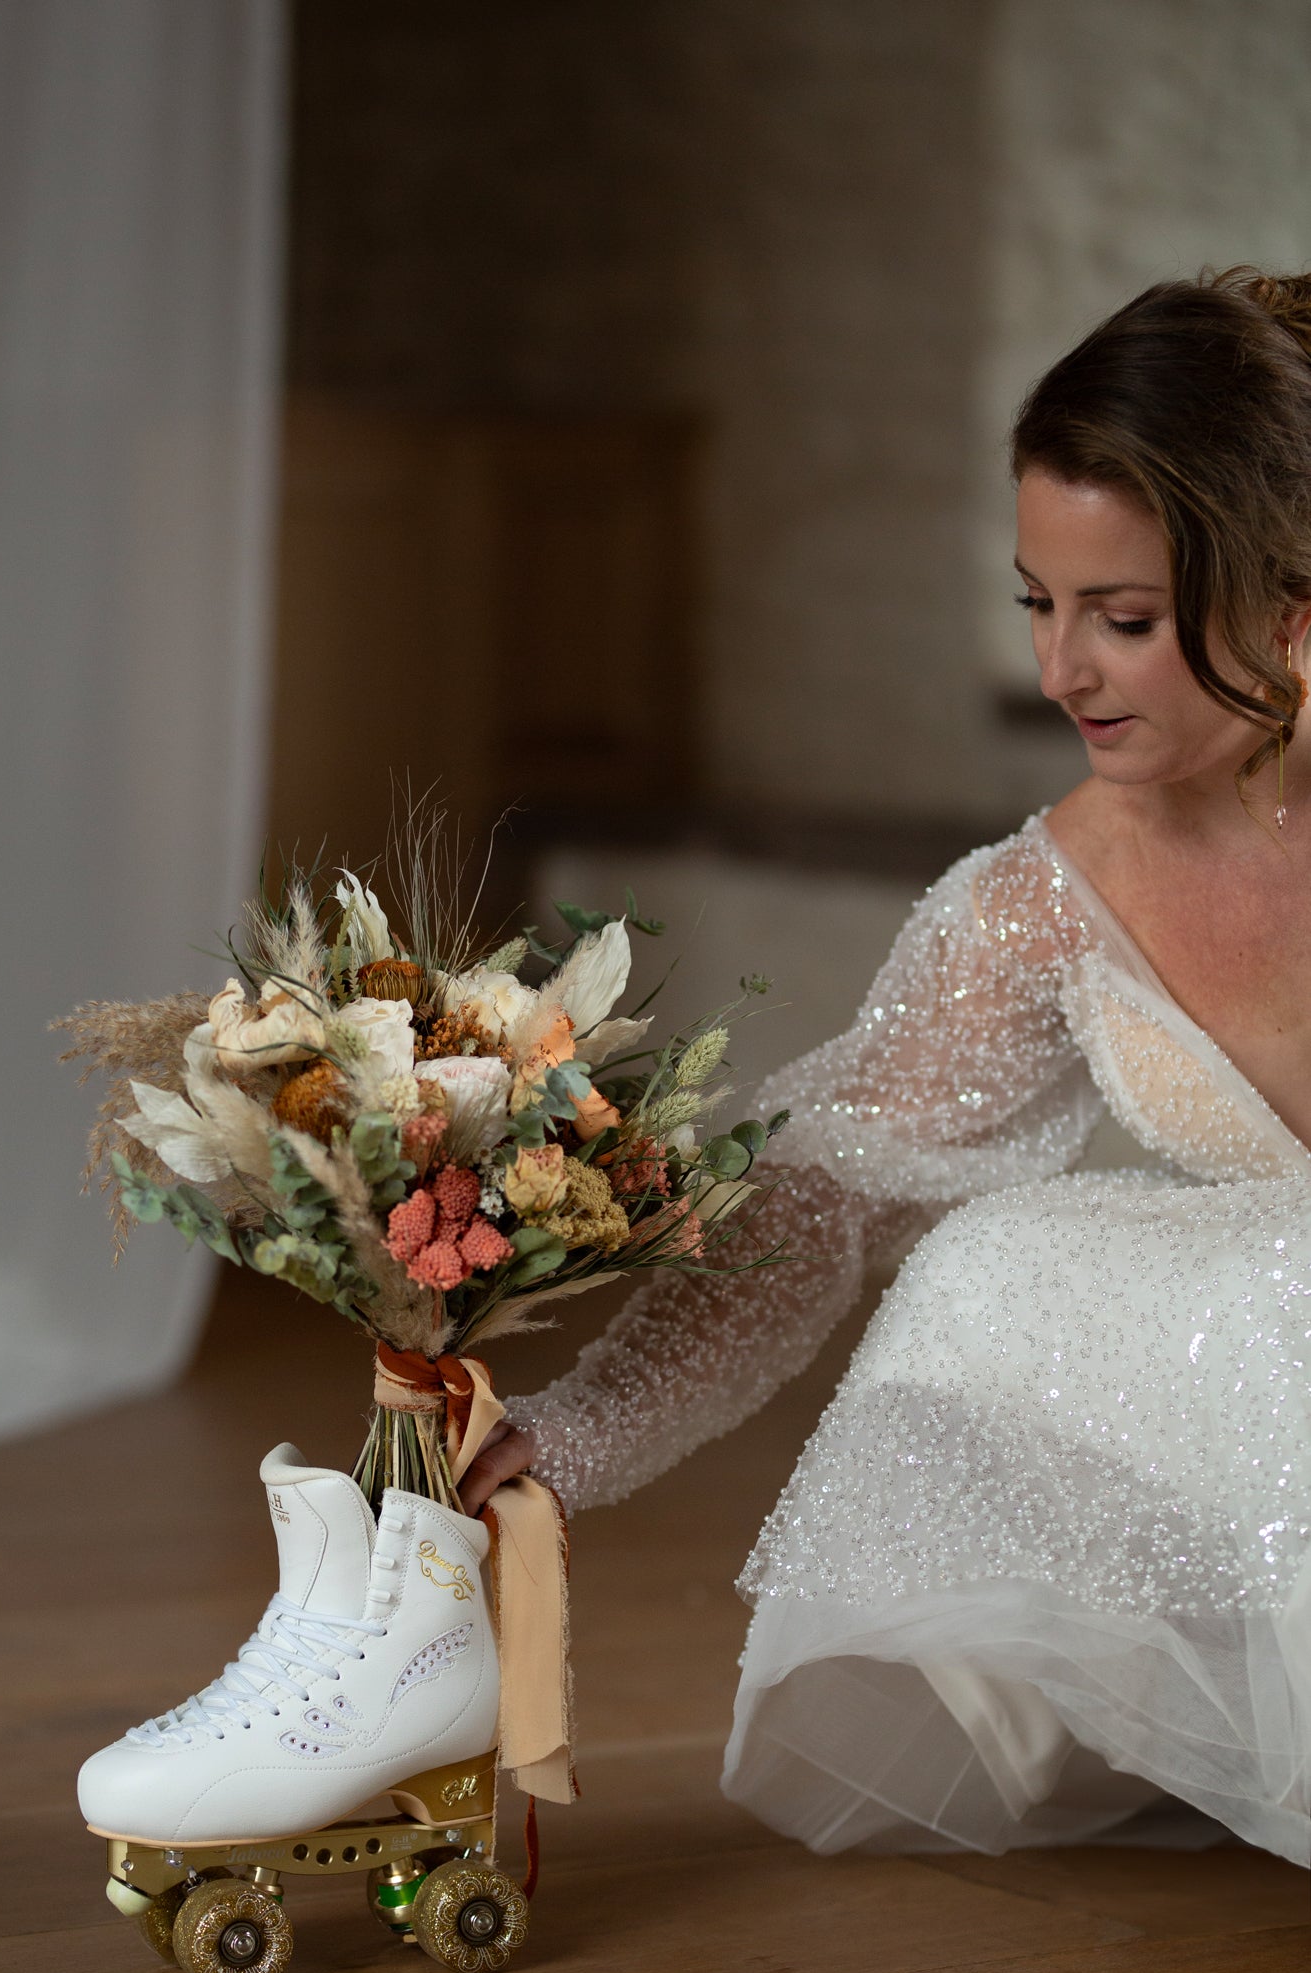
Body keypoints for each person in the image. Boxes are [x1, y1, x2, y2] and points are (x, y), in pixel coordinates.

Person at [460, 269, 1311, 1865]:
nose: (1062, 671)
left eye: (1119, 620)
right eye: (1035, 606)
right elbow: (816, 1212)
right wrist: (572, 1440)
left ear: (1291, 604)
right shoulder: (1031, 908)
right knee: (1000, 1266)